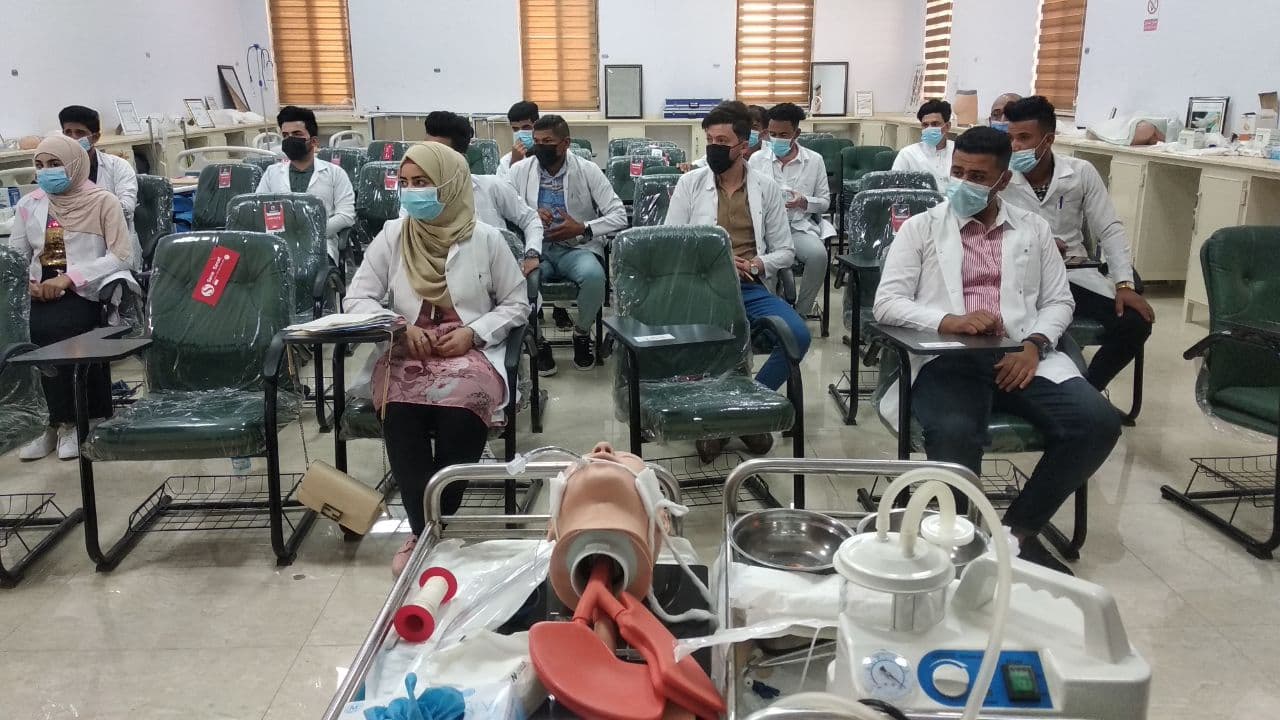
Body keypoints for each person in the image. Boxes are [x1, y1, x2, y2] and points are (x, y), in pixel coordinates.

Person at [873, 126, 1121, 574]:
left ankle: (1016, 535)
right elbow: (887, 303)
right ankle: (958, 540)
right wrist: (949, 321)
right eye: (958, 172)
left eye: (978, 176)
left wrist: (1034, 345)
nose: (963, 183)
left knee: (1098, 423)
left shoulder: (1033, 229)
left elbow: (1059, 301)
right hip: (949, 359)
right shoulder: (921, 228)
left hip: (1022, 357)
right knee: (954, 432)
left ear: (1004, 180)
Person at [343, 142, 529, 576]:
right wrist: (397, 327)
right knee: (400, 410)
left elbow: (517, 303)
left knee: (461, 409)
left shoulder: (486, 238)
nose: (411, 192)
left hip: (469, 352)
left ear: (449, 185)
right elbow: (357, 298)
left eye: (422, 183)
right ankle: (426, 531)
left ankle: (432, 525)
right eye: (405, 183)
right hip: (406, 350)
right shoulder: (393, 235)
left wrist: (473, 333)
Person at [665, 103, 810, 463]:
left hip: (749, 285)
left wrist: (759, 263)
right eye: (709, 140)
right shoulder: (690, 183)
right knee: (717, 341)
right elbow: (670, 241)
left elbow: (786, 251)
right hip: (701, 286)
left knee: (797, 336)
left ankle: (741, 408)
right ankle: (731, 419)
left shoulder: (766, 188)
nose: (713, 147)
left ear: (743, 146)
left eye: (722, 141)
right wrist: (718, 255)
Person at [1000, 96, 1153, 394]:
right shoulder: (1001, 176)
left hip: (1073, 276)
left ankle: (1089, 391)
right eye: (1011, 138)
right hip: (1018, 275)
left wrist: (1124, 284)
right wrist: (1037, 243)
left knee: (1136, 322)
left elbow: (1109, 227)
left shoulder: (1080, 172)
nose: (1015, 146)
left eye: (1024, 138)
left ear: (1048, 139)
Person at [9, 136, 137, 461]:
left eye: (55, 164)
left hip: (86, 288)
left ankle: (72, 421)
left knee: (57, 328)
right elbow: (15, 256)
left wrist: (70, 278)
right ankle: (50, 423)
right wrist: (29, 284)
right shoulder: (30, 204)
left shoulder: (103, 201)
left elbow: (122, 255)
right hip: (40, 287)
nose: (46, 171)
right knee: (20, 333)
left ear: (74, 164)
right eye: (40, 165)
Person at [506, 114, 627, 374]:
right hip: (537, 249)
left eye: (548, 141)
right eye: (537, 141)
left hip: (576, 248)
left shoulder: (587, 170)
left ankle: (582, 332)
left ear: (565, 143)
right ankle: (537, 340)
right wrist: (529, 215)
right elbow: (503, 211)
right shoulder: (519, 171)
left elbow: (619, 215)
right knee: (520, 281)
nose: (540, 147)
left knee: (595, 277)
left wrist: (583, 227)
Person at [422, 110, 543, 275]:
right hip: (439, 277)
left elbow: (530, 219)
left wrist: (531, 254)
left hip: (494, 275)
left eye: (437, 154)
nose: (426, 159)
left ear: (460, 158)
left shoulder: (491, 186)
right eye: (426, 151)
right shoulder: (420, 197)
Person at [749, 102, 834, 317]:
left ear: (796, 133)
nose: (776, 139)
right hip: (764, 229)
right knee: (762, 262)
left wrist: (803, 202)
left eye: (783, 135)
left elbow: (825, 202)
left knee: (818, 255)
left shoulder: (814, 160)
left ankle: (800, 313)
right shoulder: (757, 159)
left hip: (797, 227)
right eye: (772, 134)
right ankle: (770, 315)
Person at [255, 106, 356, 264]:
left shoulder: (335, 173)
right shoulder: (271, 173)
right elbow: (257, 211)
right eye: (285, 135)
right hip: (277, 246)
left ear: (314, 141)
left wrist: (311, 232)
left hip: (319, 245)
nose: (290, 139)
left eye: (297, 134)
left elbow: (346, 216)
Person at [59, 105, 140, 268]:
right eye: (68, 132)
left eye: (80, 133)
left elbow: (126, 209)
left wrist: (88, 207)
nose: (73, 138)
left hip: (114, 251)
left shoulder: (118, 166)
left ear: (95, 137)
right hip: (72, 251)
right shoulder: (57, 171)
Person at [681, 103, 766, 171]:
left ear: (765, 132)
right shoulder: (722, 150)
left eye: (754, 127)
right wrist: (689, 166)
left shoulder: (768, 158)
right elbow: (702, 163)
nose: (749, 131)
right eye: (709, 139)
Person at [892, 99, 955, 189]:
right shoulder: (908, 154)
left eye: (935, 124)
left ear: (947, 126)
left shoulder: (959, 151)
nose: (929, 128)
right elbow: (895, 188)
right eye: (925, 125)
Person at [496, 100, 539, 179]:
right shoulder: (506, 161)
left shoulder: (548, 155)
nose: (520, 133)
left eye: (526, 127)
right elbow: (503, 185)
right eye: (515, 128)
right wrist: (515, 162)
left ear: (537, 125)